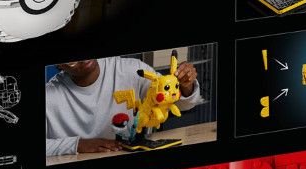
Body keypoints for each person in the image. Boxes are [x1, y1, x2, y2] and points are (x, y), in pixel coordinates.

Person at [45, 55, 203, 157]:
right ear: (59, 65)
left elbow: (181, 104)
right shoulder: (49, 95)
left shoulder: (130, 69)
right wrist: (77, 145)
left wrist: (186, 85)